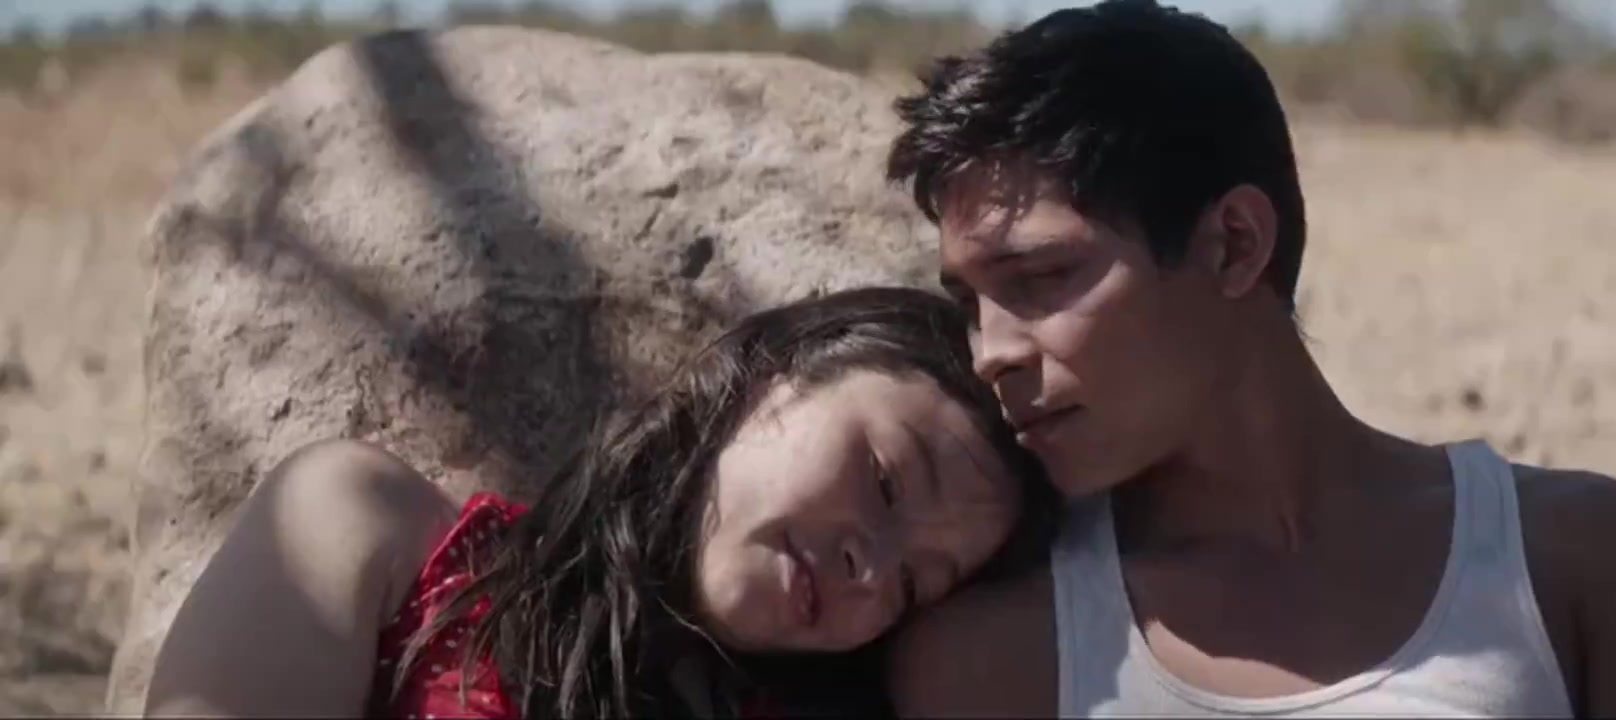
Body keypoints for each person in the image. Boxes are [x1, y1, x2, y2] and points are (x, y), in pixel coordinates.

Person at [881, 1, 1616, 717]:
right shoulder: (996, 652)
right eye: (970, 305)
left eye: (1041, 278)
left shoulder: (1572, 563)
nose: (991, 353)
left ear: (1234, 244)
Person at [143, 286, 1056, 719]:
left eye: (915, 586)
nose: (872, 567)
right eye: (885, 481)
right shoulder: (356, 527)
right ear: (776, 373)